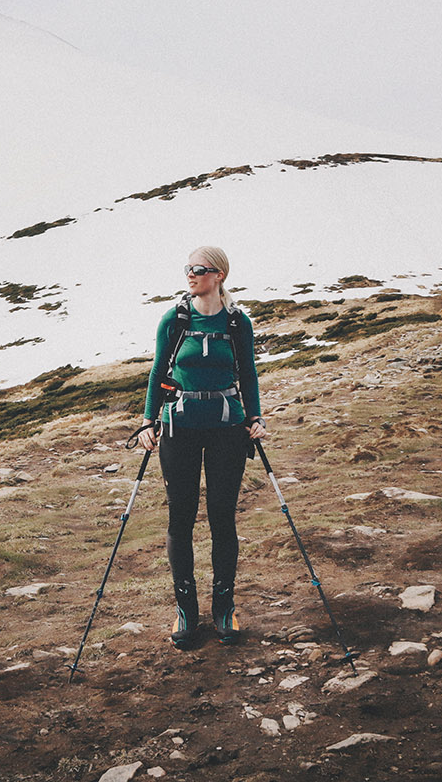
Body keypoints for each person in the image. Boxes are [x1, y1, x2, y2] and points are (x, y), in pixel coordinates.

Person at [138, 246, 266, 649]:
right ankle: (186, 611)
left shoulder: (236, 322)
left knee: (222, 516)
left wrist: (256, 418)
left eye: (199, 269)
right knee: (181, 515)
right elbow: (158, 372)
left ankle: (224, 608)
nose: (191, 275)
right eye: (188, 269)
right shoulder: (174, 320)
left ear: (220, 275)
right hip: (179, 429)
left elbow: (248, 373)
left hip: (228, 429)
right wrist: (147, 421)